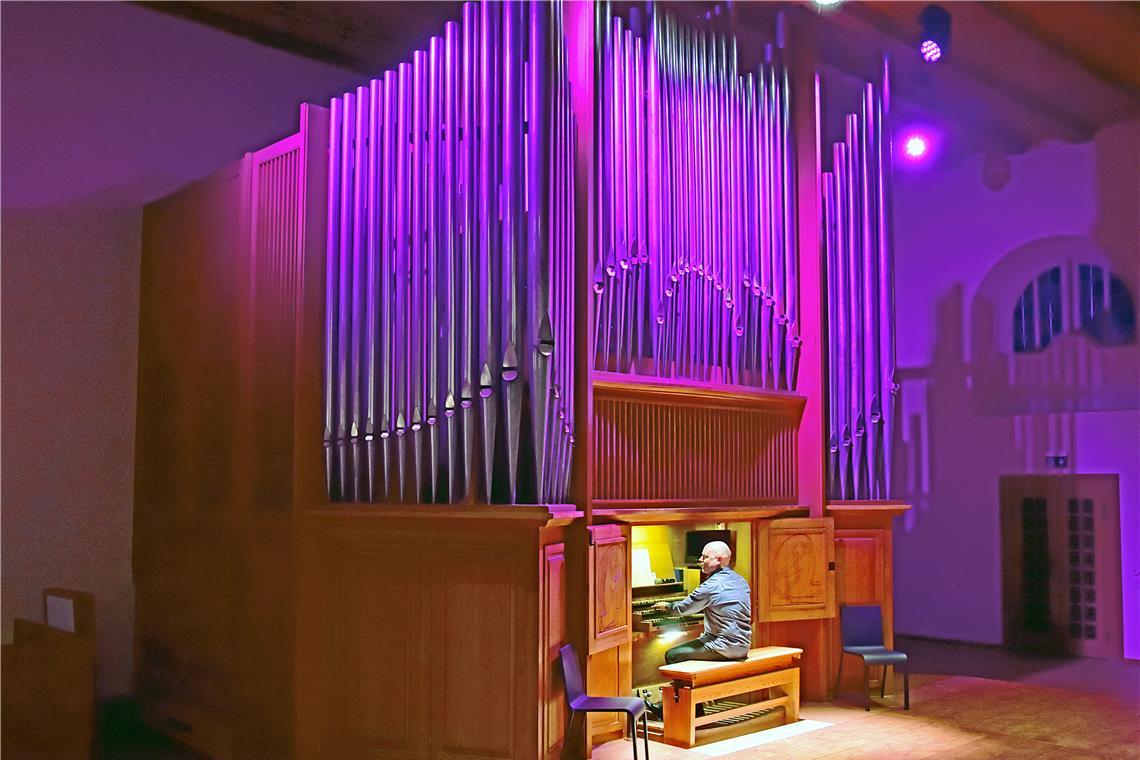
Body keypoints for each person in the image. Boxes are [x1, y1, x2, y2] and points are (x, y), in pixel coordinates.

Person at [654, 540, 752, 664]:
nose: (700, 559)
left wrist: (667, 606)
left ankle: (688, 683)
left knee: (672, 655)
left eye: (705, 557)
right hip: (743, 645)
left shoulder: (711, 585)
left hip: (724, 646)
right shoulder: (740, 580)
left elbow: (684, 608)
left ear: (718, 560)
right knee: (698, 641)